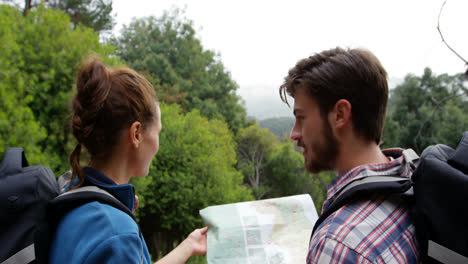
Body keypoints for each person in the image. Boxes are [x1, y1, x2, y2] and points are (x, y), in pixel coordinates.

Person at [49, 57, 208, 264]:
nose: (158, 143)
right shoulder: (116, 233)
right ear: (136, 134)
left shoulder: (73, 192)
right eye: (158, 132)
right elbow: (116, 243)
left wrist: (189, 246)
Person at [279, 47, 419, 263]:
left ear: (340, 115)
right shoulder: (413, 180)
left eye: (301, 117)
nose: (294, 133)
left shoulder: (337, 246)